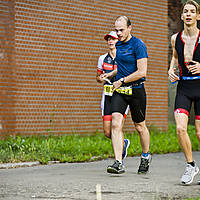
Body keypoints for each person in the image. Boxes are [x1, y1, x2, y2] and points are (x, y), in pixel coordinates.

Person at [104, 16, 151, 174]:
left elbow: (141, 72)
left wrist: (122, 80)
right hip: (120, 91)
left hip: (136, 90)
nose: (118, 33)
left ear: (130, 28)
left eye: (121, 30)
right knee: (116, 124)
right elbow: (124, 67)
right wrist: (111, 75)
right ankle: (118, 162)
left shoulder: (138, 45)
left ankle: (145, 156)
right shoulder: (118, 45)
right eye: (116, 30)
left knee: (140, 126)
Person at [168, 0, 200, 185]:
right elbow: (174, 56)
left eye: (192, 11)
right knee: (180, 128)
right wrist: (171, 69)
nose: (188, 14)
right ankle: (191, 165)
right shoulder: (175, 38)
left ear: (198, 16)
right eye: (185, 11)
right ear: (181, 16)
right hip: (184, 87)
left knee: (198, 133)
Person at [96, 31, 130, 165]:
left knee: (117, 126)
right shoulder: (102, 58)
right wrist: (101, 78)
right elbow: (98, 77)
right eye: (108, 39)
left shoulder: (125, 56)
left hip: (122, 94)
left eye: (113, 39)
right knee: (107, 131)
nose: (110, 41)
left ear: (119, 41)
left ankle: (118, 160)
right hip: (108, 94)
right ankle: (123, 142)